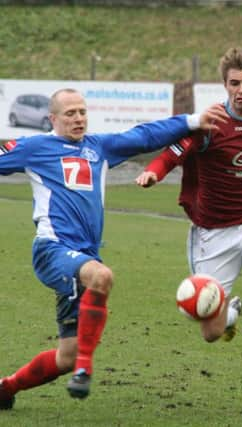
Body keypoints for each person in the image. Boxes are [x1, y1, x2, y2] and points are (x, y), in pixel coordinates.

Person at [0, 88, 210, 410]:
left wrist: (192, 120)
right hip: (52, 250)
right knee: (102, 277)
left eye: (82, 112)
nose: (78, 118)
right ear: (52, 119)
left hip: (82, 257)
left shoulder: (99, 148)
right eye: (70, 113)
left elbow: (144, 136)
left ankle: (7, 388)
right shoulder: (35, 148)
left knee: (66, 356)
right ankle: (86, 369)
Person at [136, 47, 242, 415]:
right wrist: (153, 172)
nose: (240, 90)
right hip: (213, 234)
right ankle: (231, 315)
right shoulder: (209, 124)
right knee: (210, 331)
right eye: (233, 83)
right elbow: (172, 153)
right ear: (224, 85)